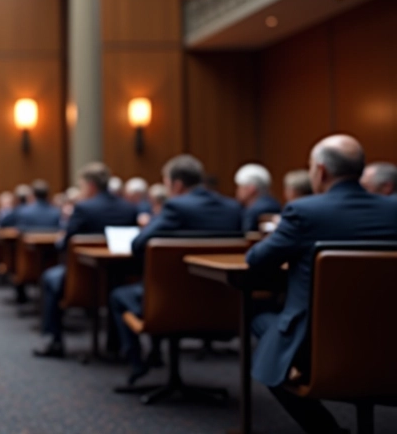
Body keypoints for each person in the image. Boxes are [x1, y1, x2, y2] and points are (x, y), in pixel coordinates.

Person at [248, 135, 397, 434]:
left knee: (262, 327)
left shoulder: (303, 212)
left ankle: (327, 432)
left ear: (320, 171)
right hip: (389, 339)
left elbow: (257, 261)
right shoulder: (392, 210)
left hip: (318, 345)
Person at [111, 154, 243, 384]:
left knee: (119, 296)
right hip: (222, 303)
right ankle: (155, 354)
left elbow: (139, 244)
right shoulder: (232, 208)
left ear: (177, 184)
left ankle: (137, 363)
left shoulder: (176, 206)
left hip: (171, 303)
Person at [35, 163, 138, 358]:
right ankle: (115, 342)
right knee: (113, 283)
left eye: (81, 185)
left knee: (49, 277)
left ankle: (55, 341)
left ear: (90, 185)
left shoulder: (83, 208)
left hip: (84, 280)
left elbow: (66, 244)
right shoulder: (128, 207)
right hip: (120, 278)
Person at [235, 163, 282, 232]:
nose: (237, 191)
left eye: (240, 187)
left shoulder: (254, 211)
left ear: (251, 189)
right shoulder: (276, 204)